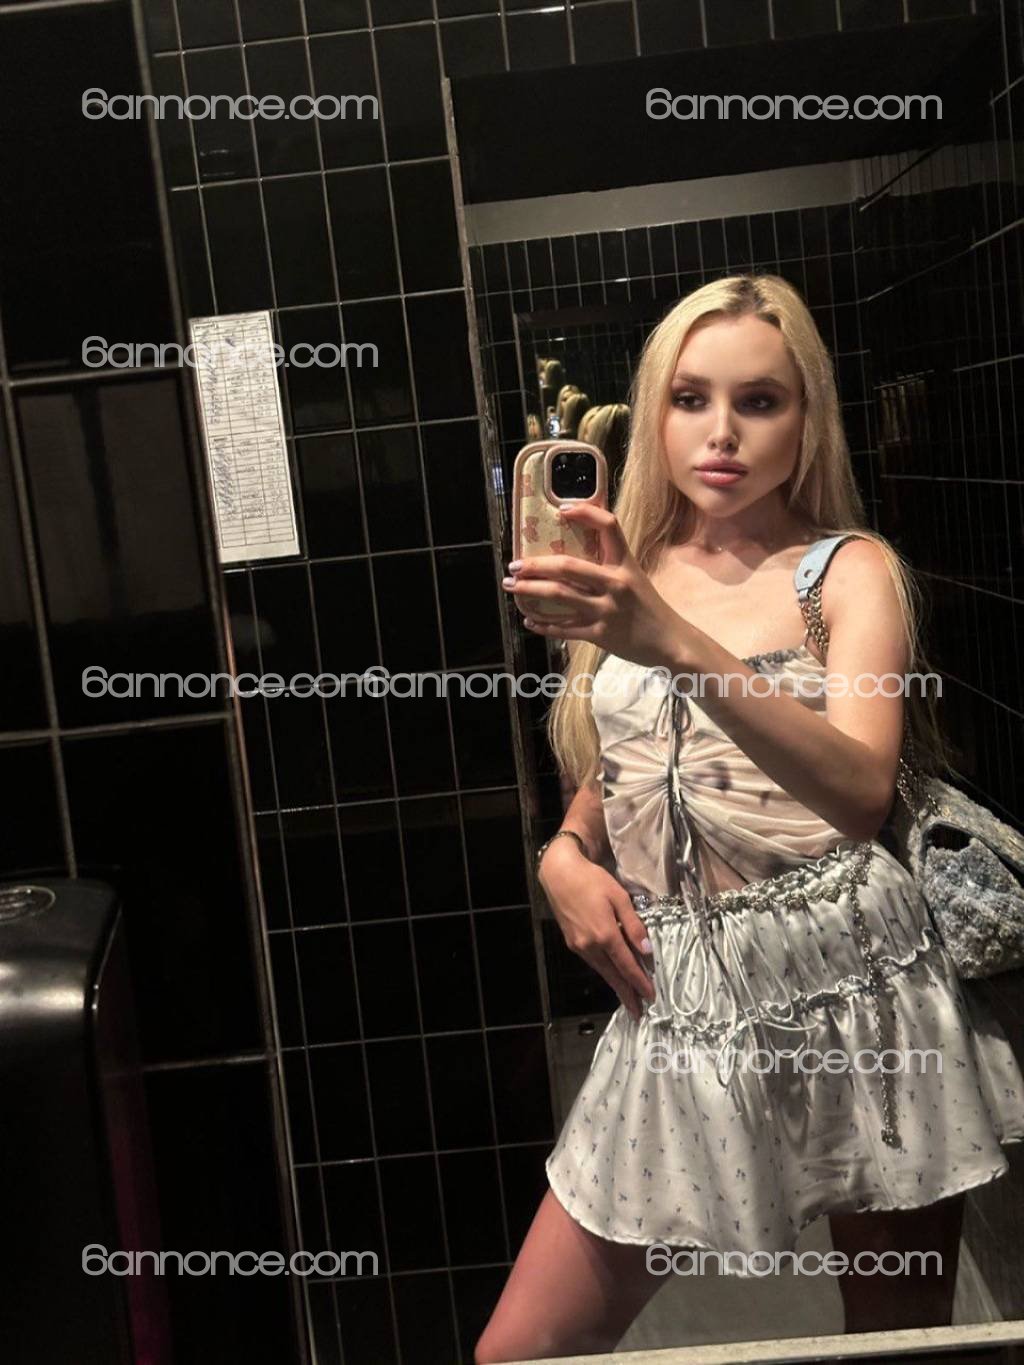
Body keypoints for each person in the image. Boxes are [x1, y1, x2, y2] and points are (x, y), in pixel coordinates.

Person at [476, 274, 1024, 1363]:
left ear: (805, 416)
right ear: (654, 413)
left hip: (855, 978)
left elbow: (860, 791)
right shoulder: (633, 566)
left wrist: (672, 640)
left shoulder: (847, 571)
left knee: (893, 1344)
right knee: (521, 1350)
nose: (720, 432)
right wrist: (565, 854)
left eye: (759, 401)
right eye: (690, 398)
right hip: (678, 994)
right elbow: (627, 758)